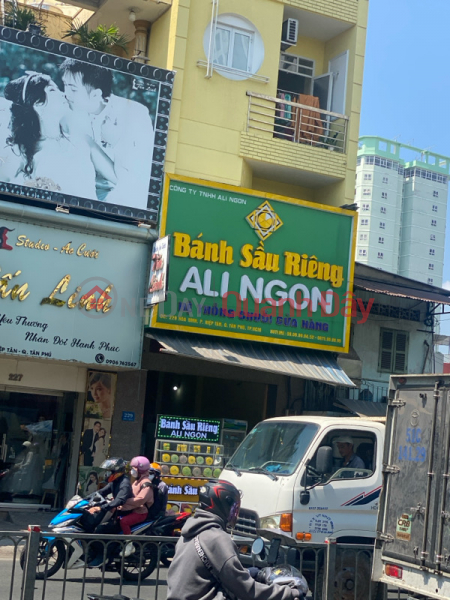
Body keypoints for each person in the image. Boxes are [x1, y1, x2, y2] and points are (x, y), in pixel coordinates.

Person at [167, 480, 304, 600]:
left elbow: (213, 574)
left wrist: (250, 572)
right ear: (224, 506)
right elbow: (246, 590)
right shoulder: (217, 538)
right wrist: (288, 593)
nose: (235, 514)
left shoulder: (187, 535)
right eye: (234, 509)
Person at [60, 59, 154, 208]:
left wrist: (93, 143)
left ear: (96, 95)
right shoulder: (64, 110)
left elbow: (130, 181)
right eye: (64, 85)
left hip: (118, 206)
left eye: (73, 89)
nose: (66, 94)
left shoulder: (133, 114)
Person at [1, 72, 97, 198]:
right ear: (38, 105)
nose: (63, 93)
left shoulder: (80, 143)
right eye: (52, 90)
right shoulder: (20, 153)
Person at [86, 457, 133, 567]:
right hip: (114, 513)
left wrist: (102, 508)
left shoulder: (124, 483)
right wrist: (85, 500)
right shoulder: (115, 482)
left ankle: (103, 556)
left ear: (117, 471)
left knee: (99, 530)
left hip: (122, 515)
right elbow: (101, 492)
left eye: (110, 471)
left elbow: (120, 500)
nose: (108, 474)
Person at [117, 456, 154, 558]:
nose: (132, 471)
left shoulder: (146, 483)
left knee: (124, 521)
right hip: (131, 509)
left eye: (134, 468)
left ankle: (129, 545)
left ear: (140, 469)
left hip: (140, 512)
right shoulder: (137, 481)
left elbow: (140, 500)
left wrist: (123, 503)